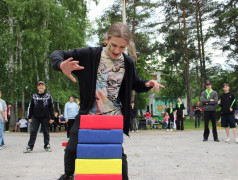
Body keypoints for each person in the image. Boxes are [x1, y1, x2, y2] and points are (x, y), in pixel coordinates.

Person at [51, 22, 164, 180]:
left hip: (112, 117)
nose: (117, 51)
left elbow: (135, 83)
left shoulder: (128, 63)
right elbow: (57, 53)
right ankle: (69, 175)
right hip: (87, 115)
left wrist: (147, 84)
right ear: (106, 39)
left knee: (117, 155)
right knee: (71, 149)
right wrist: (61, 64)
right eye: (113, 45)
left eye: (122, 47)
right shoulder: (89, 55)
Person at [24, 81, 55, 153]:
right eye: (39, 86)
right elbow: (31, 107)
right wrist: (29, 117)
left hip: (45, 117)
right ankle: (30, 146)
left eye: (42, 85)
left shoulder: (48, 96)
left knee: (46, 131)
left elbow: (51, 107)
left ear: (44, 87)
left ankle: (47, 145)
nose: (41, 87)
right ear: (37, 87)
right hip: (35, 117)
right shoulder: (34, 96)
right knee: (33, 131)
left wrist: (52, 118)